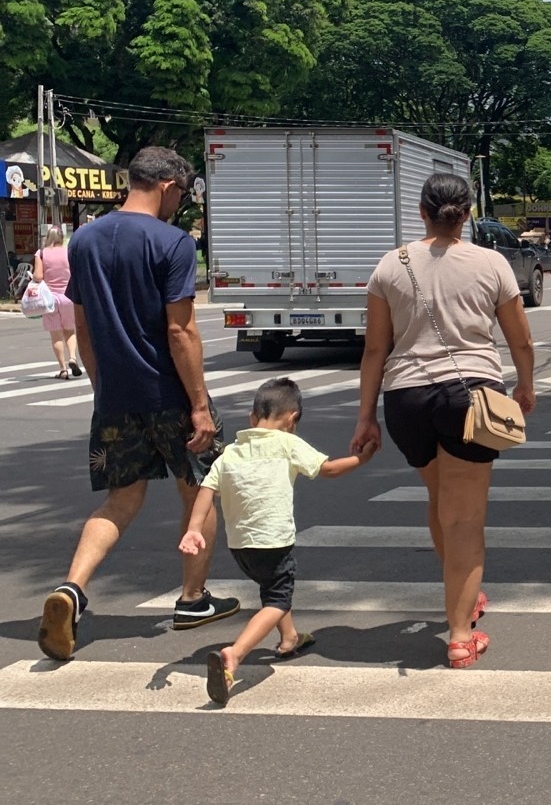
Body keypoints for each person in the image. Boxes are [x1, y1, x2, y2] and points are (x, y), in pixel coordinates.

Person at [37, 146, 238, 662]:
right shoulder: (172, 243)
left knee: (120, 500)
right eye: (182, 194)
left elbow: (83, 327)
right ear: (169, 185)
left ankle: (72, 590)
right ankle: (192, 599)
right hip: (169, 390)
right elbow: (180, 329)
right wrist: (198, 404)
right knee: (199, 489)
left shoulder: (85, 239)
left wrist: (102, 386)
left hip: (116, 395)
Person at [350, 173, 536, 669]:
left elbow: (374, 349)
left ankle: (463, 594)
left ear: (421, 211)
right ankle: (459, 634)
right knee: (466, 518)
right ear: (468, 212)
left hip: (405, 399)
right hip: (469, 396)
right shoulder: (491, 262)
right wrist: (525, 386)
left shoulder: (392, 264)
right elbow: (520, 339)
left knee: (439, 501)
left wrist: (365, 416)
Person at [179, 378, 377, 706]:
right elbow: (327, 470)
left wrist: (194, 528)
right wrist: (362, 460)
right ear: (292, 419)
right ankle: (235, 655)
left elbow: (207, 489)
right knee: (278, 601)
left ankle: (290, 638)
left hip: (241, 545)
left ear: (251, 416)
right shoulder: (287, 443)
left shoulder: (231, 452)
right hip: (274, 542)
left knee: (270, 586)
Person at [32, 225, 82, 379]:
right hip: (68, 297)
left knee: (56, 335)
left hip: (50, 299)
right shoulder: (69, 252)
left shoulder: (41, 253)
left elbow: (38, 276)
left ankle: (63, 368)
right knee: (69, 330)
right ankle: (73, 357)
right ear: (62, 237)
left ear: (48, 237)